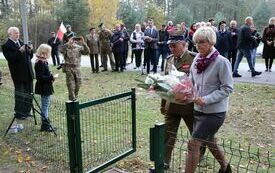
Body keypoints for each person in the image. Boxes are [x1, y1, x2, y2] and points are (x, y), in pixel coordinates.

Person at [184, 26, 233, 173]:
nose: (198, 45)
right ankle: (225, 167)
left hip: (215, 113)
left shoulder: (221, 62)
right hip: (198, 110)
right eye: (196, 42)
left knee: (193, 143)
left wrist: (206, 99)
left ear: (211, 42)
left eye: (202, 42)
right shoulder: (197, 60)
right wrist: (183, 90)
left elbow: (227, 88)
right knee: (209, 141)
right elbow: (191, 81)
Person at [160, 32, 196, 169]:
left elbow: (198, 83)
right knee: (167, 135)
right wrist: (163, 104)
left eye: (174, 46)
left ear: (183, 45)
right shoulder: (169, 60)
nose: (171, 49)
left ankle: (199, 154)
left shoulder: (194, 59)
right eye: (170, 46)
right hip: (172, 104)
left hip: (189, 105)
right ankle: (164, 162)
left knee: (196, 133)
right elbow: (165, 83)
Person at [1, 27, 34, 120]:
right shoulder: (6, 46)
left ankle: (27, 111)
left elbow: (29, 57)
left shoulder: (22, 42)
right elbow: (11, 59)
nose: (17, 34)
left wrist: (30, 50)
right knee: (21, 93)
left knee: (29, 92)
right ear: (10, 34)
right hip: (18, 74)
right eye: (15, 33)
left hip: (28, 72)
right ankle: (19, 113)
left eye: (18, 32)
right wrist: (20, 51)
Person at [34, 44, 56, 132]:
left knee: (46, 105)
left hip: (46, 86)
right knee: (45, 106)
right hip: (44, 87)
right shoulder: (40, 62)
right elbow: (39, 77)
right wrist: (50, 78)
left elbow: (45, 74)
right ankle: (45, 125)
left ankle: (46, 122)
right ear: (44, 52)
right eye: (49, 52)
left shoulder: (44, 61)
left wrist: (51, 76)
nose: (50, 54)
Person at [60, 36, 90, 101]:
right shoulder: (66, 47)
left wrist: (84, 43)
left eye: (73, 39)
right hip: (69, 68)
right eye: (71, 39)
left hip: (77, 69)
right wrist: (68, 43)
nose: (73, 40)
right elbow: (61, 50)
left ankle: (75, 98)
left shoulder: (79, 47)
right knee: (71, 85)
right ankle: (72, 100)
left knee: (78, 84)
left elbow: (87, 52)